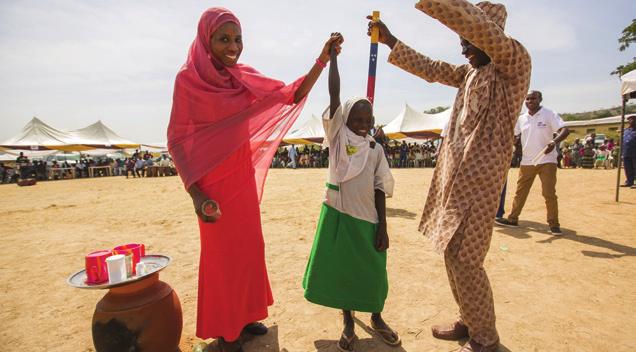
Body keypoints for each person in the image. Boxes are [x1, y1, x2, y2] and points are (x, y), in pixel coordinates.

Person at [167, 8, 340, 352]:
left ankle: (245, 317)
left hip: (241, 178)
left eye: (237, 39)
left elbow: (290, 94)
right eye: (223, 39)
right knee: (221, 258)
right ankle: (225, 331)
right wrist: (196, 195)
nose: (233, 46)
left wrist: (321, 60)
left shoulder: (241, 77)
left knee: (248, 250)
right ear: (206, 39)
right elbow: (177, 142)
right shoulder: (188, 80)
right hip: (211, 186)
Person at [370, 1, 531, 351]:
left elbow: (483, 31)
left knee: (467, 260)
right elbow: (432, 68)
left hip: (480, 183)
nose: (463, 46)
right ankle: (468, 318)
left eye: (469, 38)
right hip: (452, 179)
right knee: (450, 250)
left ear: (489, 36)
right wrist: (391, 41)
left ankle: (485, 339)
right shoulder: (470, 73)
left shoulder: (513, 65)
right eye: (461, 39)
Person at [302, 36, 398, 351]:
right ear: (344, 119)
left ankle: (376, 316)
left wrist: (383, 226)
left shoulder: (375, 149)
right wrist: (333, 59)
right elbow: (334, 93)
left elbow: (381, 188)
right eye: (356, 119)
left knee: (372, 272)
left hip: (368, 219)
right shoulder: (338, 138)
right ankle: (347, 321)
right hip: (339, 216)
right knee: (343, 272)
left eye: (367, 120)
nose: (362, 124)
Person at [496, 91, 569, 234]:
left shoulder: (549, 114)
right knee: (520, 192)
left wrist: (554, 142)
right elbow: (516, 136)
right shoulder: (521, 119)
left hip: (547, 160)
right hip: (527, 161)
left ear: (540, 99)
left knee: (549, 193)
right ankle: (513, 219)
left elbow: (565, 130)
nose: (530, 101)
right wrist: (514, 145)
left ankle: (554, 224)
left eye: (533, 98)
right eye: (527, 99)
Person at [620, 115, 636, 188]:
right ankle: (629, 181)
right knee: (628, 168)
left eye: (633, 120)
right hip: (626, 152)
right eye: (630, 120)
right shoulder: (626, 130)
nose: (631, 121)